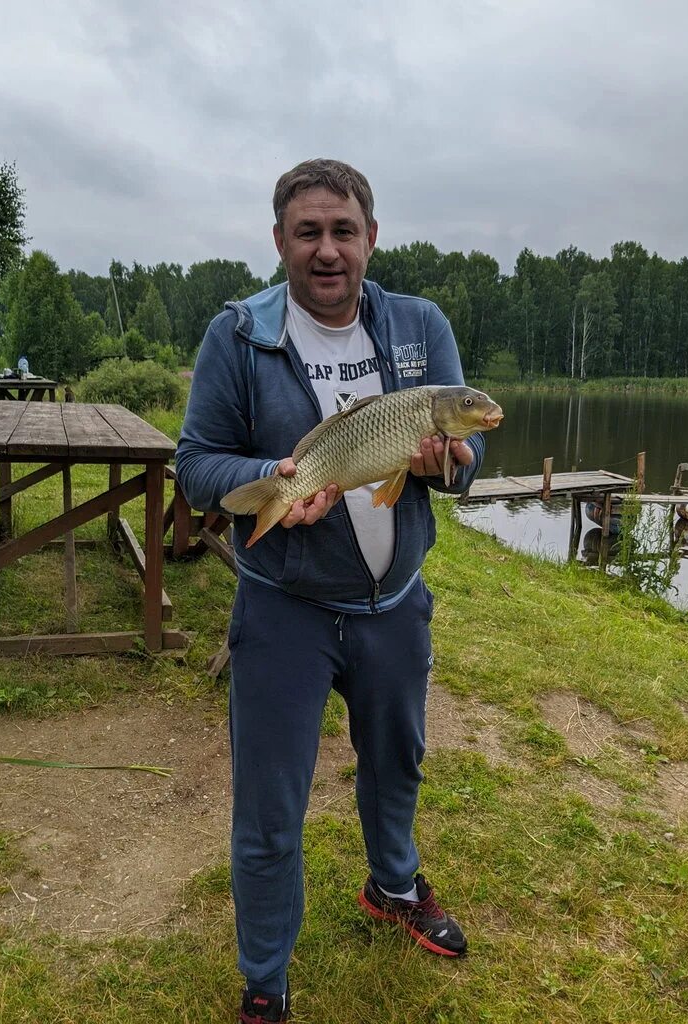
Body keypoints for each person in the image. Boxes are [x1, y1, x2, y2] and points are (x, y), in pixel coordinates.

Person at [176, 158, 486, 1024]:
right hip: (285, 610)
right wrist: (271, 475)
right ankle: (266, 979)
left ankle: (392, 887)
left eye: (342, 231)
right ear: (279, 241)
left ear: (371, 238)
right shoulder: (237, 336)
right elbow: (196, 466)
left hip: (396, 606)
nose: (326, 250)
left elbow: (469, 458)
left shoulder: (420, 326)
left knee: (398, 767)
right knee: (269, 805)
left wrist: (454, 462)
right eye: (307, 232)